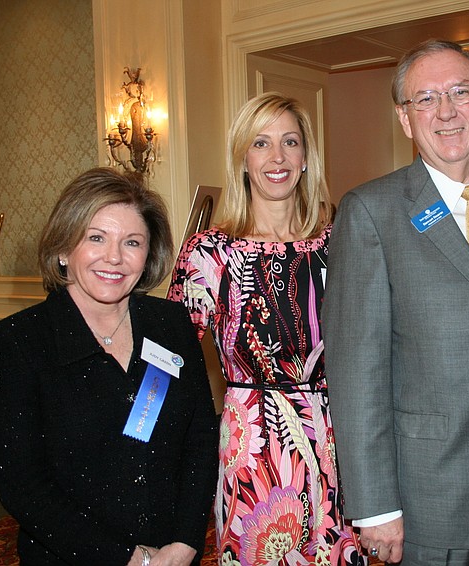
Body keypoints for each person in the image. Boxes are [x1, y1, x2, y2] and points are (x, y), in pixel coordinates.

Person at [323, 39, 469, 565]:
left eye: (460, 92)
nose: (447, 111)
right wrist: (375, 504)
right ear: (404, 120)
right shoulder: (371, 212)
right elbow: (355, 371)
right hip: (431, 494)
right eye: (425, 99)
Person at [0, 168, 219, 565]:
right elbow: (22, 485)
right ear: (62, 249)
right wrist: (130, 558)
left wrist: (186, 541)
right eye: (96, 238)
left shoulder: (171, 325)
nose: (114, 257)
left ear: (148, 254)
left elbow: (200, 437)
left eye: (132, 242)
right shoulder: (19, 343)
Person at [168, 92, 364, 565]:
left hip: (332, 436)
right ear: (242, 157)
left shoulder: (340, 243)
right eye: (261, 143)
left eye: (289, 142)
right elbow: (169, 362)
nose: (277, 157)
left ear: (305, 158)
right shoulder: (208, 253)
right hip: (249, 444)